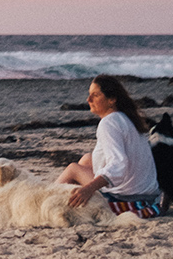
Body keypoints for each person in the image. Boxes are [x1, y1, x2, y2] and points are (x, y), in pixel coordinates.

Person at [59, 75, 163, 217]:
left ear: (112, 99)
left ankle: (43, 202)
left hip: (129, 198)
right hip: (148, 196)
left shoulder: (109, 122)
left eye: (95, 95)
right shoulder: (125, 118)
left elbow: (119, 163)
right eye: (89, 95)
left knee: (73, 169)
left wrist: (89, 189)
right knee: (86, 159)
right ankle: (68, 201)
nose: (88, 100)